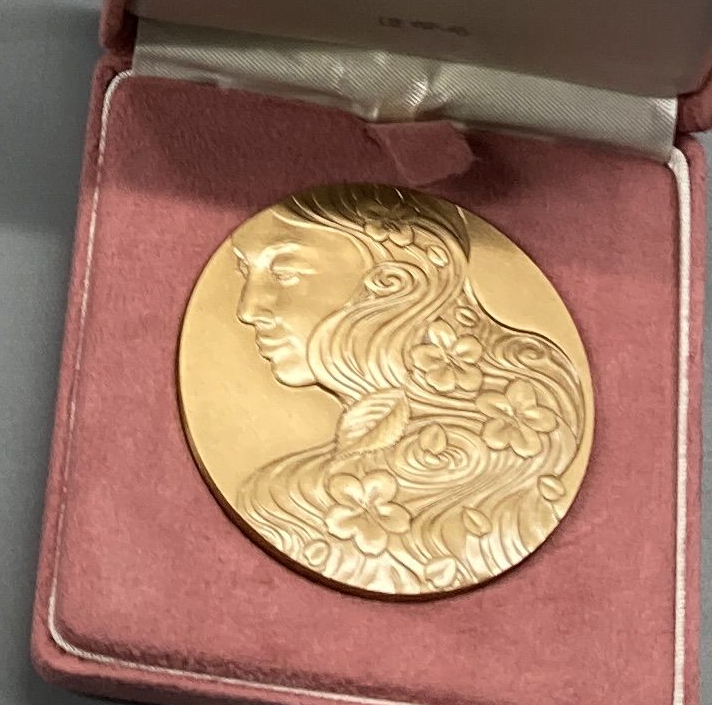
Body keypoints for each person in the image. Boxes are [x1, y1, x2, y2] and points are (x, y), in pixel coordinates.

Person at [223, 184, 591, 597]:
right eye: (244, 272)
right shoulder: (297, 489)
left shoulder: (487, 473)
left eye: (285, 273)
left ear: (393, 283)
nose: (248, 309)